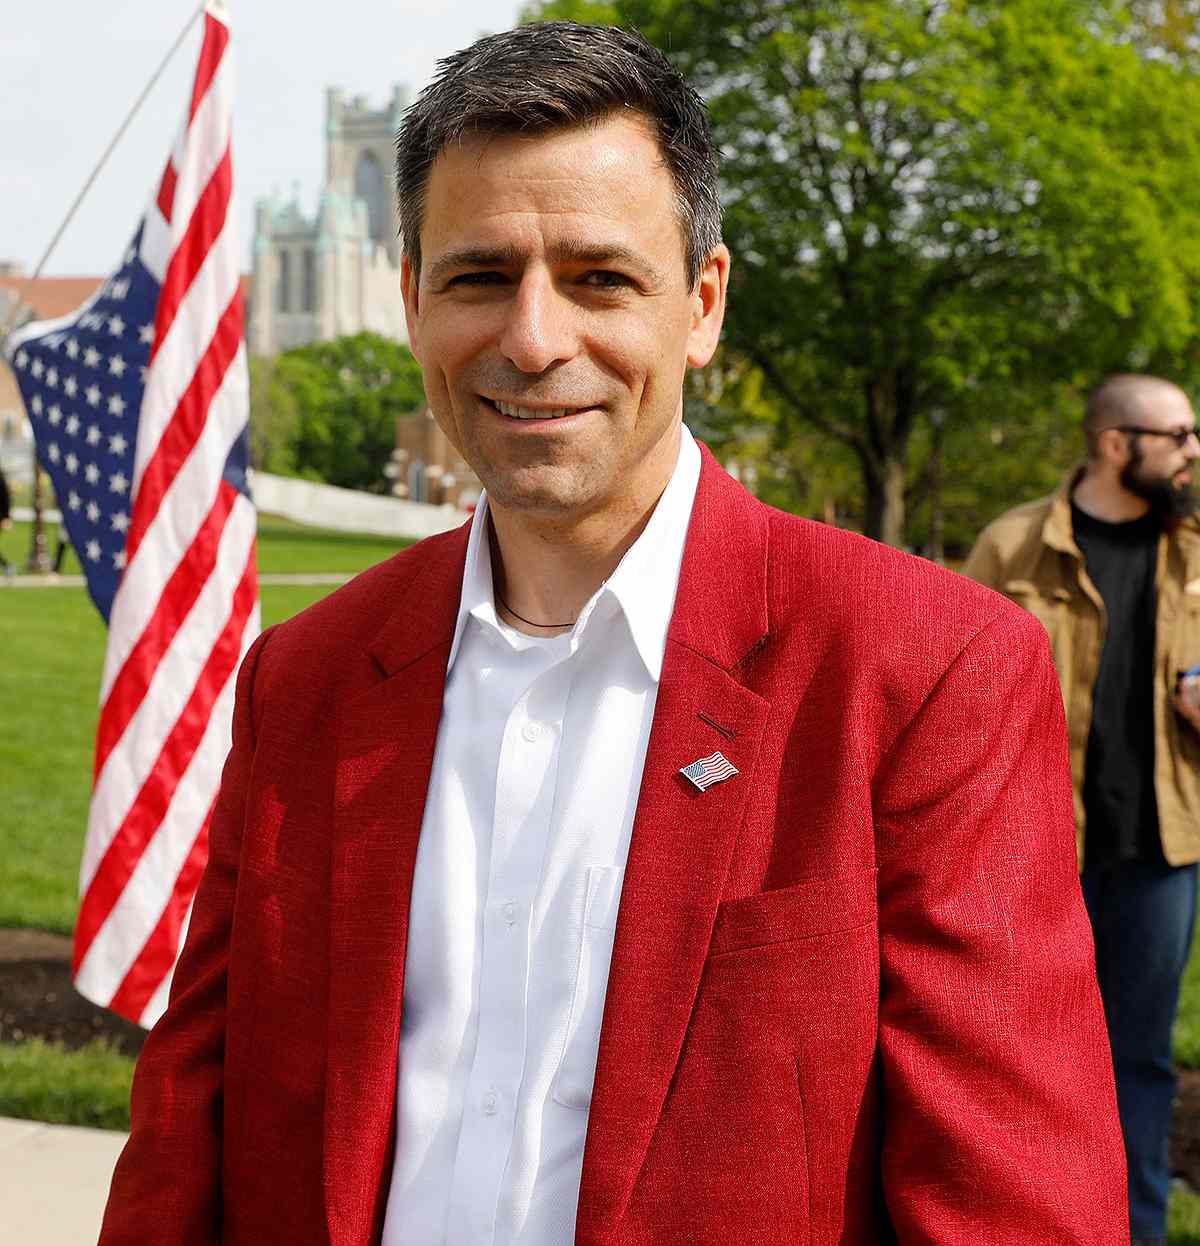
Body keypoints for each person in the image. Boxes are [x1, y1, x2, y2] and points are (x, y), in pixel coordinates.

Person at [99, 23, 1126, 1245]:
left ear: (702, 303)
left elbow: (1016, 1210)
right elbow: (185, 1148)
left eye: (599, 278)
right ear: (414, 288)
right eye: (479, 277)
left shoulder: (922, 669)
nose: (533, 339)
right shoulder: (308, 678)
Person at [964, 372, 1200, 1246]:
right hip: (1030, 854)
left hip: (1160, 854)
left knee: (1137, 1063)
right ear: (1116, 444)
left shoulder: (1197, 548)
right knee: (1016, 1058)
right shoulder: (1012, 544)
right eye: (1177, 435)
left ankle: (1130, 1230)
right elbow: (957, 694)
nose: (1192, 452)